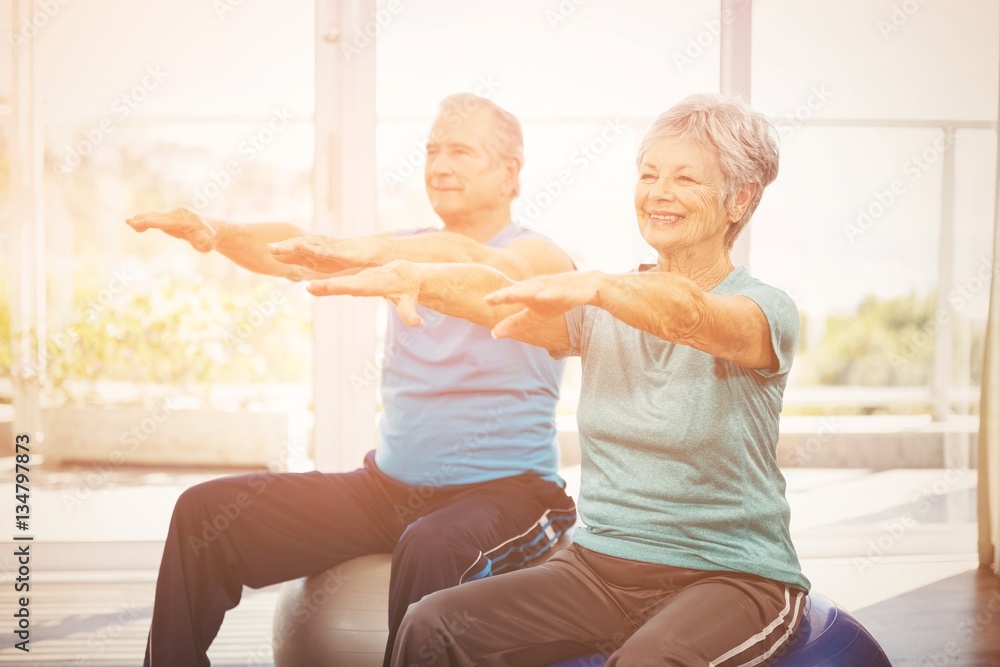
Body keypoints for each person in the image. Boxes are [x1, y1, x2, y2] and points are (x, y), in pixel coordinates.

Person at [307, 93, 810, 667]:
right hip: (600, 568)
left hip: (731, 577)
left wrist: (599, 287)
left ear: (739, 198)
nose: (659, 192)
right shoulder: (601, 305)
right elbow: (495, 298)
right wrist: (418, 277)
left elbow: (688, 314)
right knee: (433, 624)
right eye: (649, 175)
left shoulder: (762, 311)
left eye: (686, 178)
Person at [126, 93, 578, 667]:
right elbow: (292, 253)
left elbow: (480, 263)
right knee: (204, 513)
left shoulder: (538, 256)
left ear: (511, 172)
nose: (439, 165)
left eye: (461, 151)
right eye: (432, 149)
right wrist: (216, 231)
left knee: (431, 544)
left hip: (509, 494)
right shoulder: (400, 250)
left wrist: (367, 255)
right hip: (385, 490)